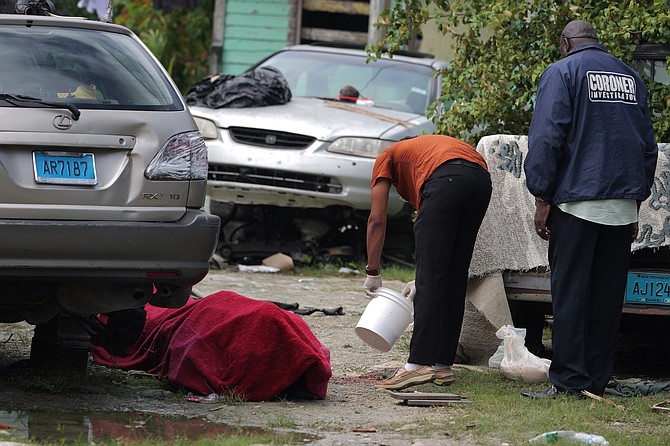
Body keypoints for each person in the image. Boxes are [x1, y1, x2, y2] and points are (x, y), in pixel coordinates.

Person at [523, 20, 658, 398]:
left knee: (571, 295)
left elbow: (548, 136)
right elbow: (647, 145)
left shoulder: (562, 71)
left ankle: (569, 381)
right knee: (606, 297)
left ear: (566, 43)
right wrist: (636, 200)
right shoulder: (630, 76)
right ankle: (597, 379)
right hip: (621, 205)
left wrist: (542, 197)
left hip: (577, 200)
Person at [363, 134, 492, 390]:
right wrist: (421, 277)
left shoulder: (388, 156)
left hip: (447, 181)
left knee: (432, 280)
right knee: (454, 277)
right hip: (480, 181)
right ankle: (442, 366)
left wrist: (373, 271)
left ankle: (416, 365)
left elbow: (376, 219)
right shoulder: (429, 152)